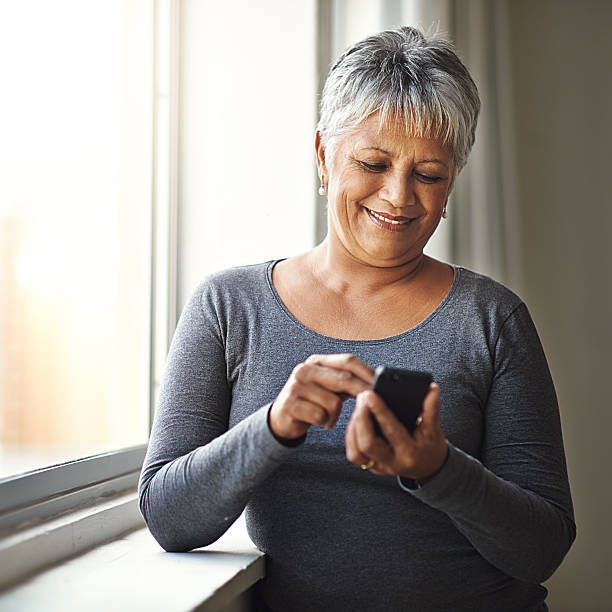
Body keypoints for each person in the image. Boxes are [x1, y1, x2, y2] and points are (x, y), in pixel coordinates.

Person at [138, 26, 575, 611]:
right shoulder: (227, 307)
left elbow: (542, 547)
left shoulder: (493, 320)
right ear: (324, 155)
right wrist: (274, 427)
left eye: (429, 175)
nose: (398, 197)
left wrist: (438, 468)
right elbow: (169, 518)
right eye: (373, 162)